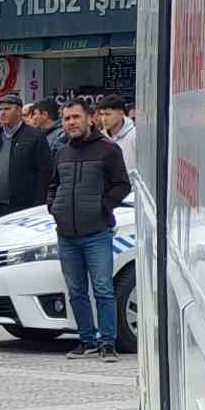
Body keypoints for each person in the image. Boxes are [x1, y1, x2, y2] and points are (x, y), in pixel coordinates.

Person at [49, 100, 131, 362]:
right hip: (67, 234)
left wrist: (102, 207)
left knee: (103, 289)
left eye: (75, 117)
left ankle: (108, 343)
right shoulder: (62, 152)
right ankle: (87, 340)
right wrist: (55, 208)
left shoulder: (108, 150)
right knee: (76, 291)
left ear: (89, 119)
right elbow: (53, 185)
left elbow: (122, 185)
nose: (70, 123)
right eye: (66, 119)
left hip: (97, 233)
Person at [0, 93, 53, 219]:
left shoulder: (35, 136)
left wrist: (38, 205)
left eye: (7, 109)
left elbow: (44, 173)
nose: (2, 113)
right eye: (0, 109)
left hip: (24, 207)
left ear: (19, 111)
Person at [95, 94, 137, 168]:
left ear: (121, 113)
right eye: (102, 114)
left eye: (108, 114)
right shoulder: (99, 137)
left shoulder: (135, 135)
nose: (103, 119)